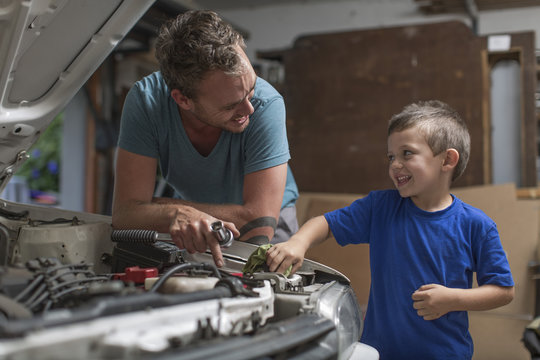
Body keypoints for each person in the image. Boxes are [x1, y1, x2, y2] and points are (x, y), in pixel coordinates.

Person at [266, 100, 514, 359]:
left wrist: (453, 300)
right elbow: (326, 223)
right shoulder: (380, 207)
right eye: (391, 156)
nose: (395, 164)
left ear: (447, 160)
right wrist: (298, 242)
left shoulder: (477, 225)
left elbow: (503, 291)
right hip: (379, 352)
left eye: (407, 153)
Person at [112, 10, 299, 268]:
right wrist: (178, 214)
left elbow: (258, 223)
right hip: (190, 219)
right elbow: (124, 215)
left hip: (274, 219)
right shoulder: (147, 102)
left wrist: (161, 208)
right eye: (231, 105)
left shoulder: (267, 105)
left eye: (251, 88)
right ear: (183, 100)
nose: (249, 109)